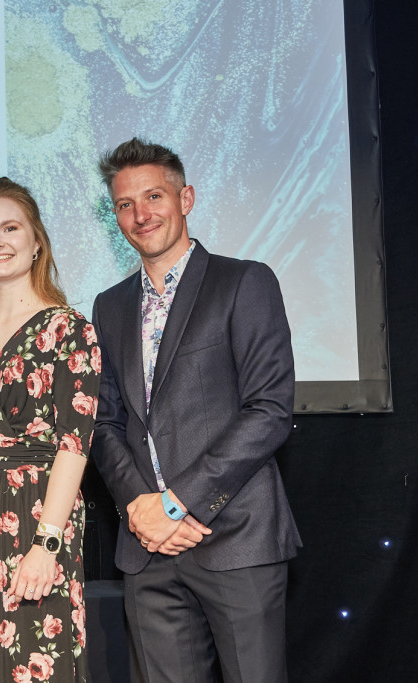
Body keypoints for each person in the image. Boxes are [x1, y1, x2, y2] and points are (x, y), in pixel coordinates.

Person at [90, 137, 301, 682]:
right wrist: (140, 505)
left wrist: (179, 504)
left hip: (235, 539)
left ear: (186, 198)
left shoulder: (244, 282)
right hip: (146, 548)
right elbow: (106, 420)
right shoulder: (108, 305)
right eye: (124, 204)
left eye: (154, 196)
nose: (141, 214)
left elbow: (270, 409)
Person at [0, 177, 101, 682]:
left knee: (35, 665)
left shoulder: (69, 329)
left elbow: (75, 446)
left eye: (10, 228)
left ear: (36, 242)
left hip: (36, 515)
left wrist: (47, 542)